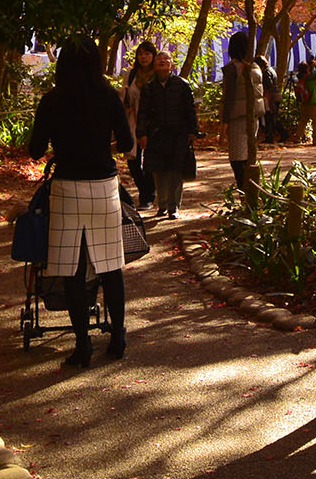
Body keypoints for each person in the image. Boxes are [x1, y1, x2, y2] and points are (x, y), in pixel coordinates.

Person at [27, 36, 134, 367]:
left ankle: (82, 345)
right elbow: (126, 143)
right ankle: (117, 336)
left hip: (68, 188)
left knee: (71, 268)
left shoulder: (52, 100)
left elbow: (34, 149)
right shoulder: (108, 96)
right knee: (111, 265)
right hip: (104, 187)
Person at [136, 50, 200, 219]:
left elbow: (190, 110)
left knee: (175, 170)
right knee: (159, 171)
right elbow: (142, 113)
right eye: (159, 59)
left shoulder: (182, 85)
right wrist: (141, 134)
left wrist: (193, 131)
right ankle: (162, 204)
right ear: (154, 65)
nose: (162, 61)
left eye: (166, 59)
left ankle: (174, 206)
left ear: (172, 65)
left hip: (178, 135)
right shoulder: (149, 87)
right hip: (156, 135)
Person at [221, 29, 264, 190]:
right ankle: (249, 192)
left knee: (237, 158)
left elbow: (229, 96)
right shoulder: (255, 66)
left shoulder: (233, 68)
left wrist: (224, 122)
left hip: (237, 117)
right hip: (253, 116)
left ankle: (244, 192)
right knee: (248, 156)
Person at [121, 40, 158, 210]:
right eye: (141, 54)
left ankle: (148, 196)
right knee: (133, 160)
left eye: (147, 54)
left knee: (150, 159)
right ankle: (145, 190)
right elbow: (124, 95)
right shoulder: (131, 73)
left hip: (152, 122)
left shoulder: (158, 73)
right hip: (133, 120)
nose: (143, 57)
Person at [294, 57, 316, 146]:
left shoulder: (300, 78)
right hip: (313, 102)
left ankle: (297, 138)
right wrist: (315, 65)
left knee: (303, 121)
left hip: (304, 103)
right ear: (307, 69)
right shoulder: (310, 78)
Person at [254, 45, 279, 144]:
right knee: (272, 118)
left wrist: (267, 100)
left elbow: (268, 86)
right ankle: (277, 134)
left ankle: (270, 137)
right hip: (275, 95)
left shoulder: (266, 73)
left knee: (269, 117)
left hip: (270, 97)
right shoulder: (271, 70)